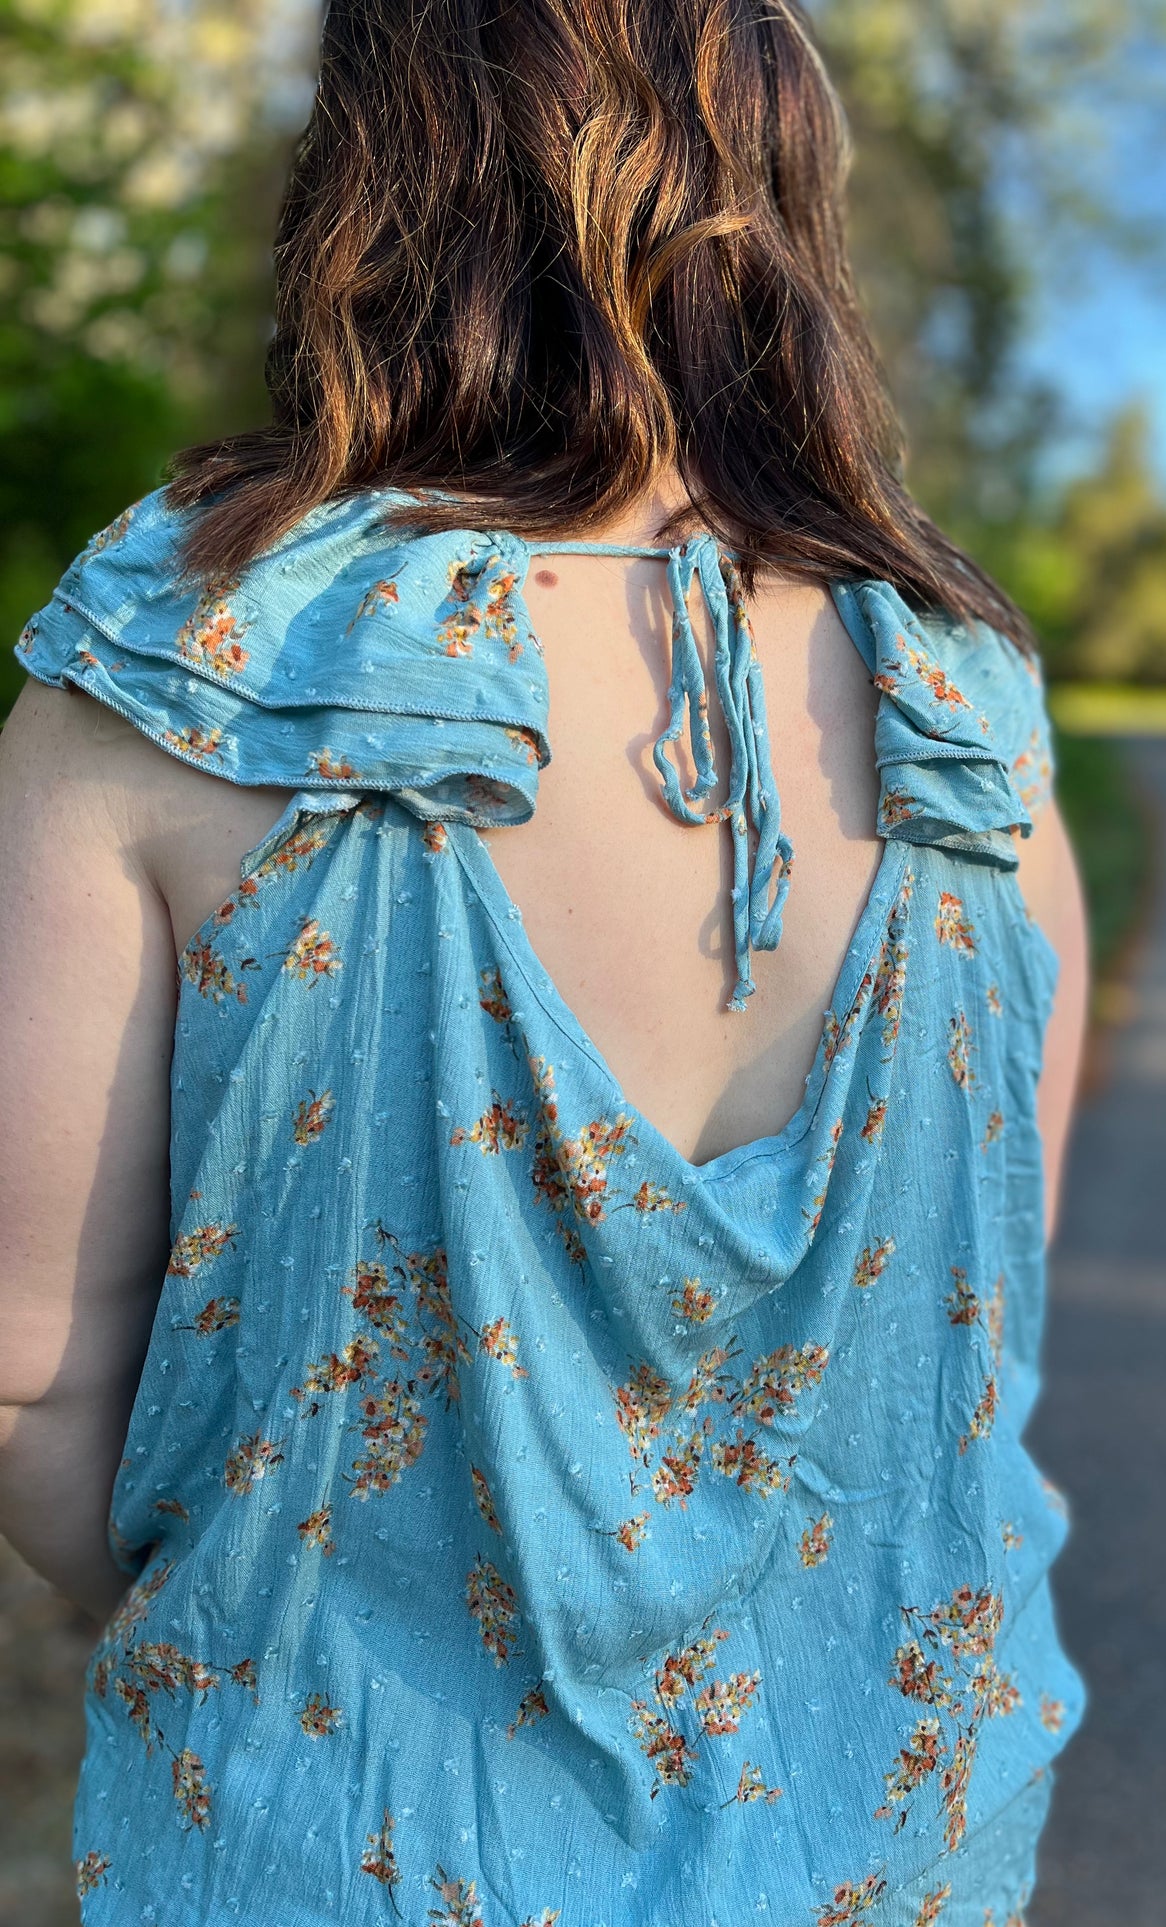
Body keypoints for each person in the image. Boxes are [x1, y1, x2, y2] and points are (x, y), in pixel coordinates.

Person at [0, 1, 1088, 1921]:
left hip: (325, 1841)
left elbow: (26, 1376)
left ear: (374, 179)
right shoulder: (965, 709)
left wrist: (264, 1640)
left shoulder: (190, 660)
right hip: (897, 1837)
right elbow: (971, 1330)